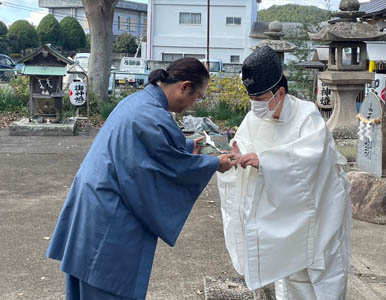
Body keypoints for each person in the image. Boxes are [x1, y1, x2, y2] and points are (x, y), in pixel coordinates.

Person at [47, 57, 237, 300]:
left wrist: (189, 148)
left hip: (93, 205)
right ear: (184, 86)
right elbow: (165, 169)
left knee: (87, 285)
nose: (194, 104)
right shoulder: (154, 116)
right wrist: (213, 163)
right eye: (197, 96)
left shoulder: (139, 101)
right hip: (110, 217)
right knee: (105, 289)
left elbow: (148, 150)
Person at [217, 46, 351, 300]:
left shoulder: (306, 116)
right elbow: (243, 149)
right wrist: (236, 158)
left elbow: (312, 161)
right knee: (287, 273)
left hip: (318, 212)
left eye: (259, 99)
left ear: (280, 92)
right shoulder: (253, 119)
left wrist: (266, 162)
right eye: (252, 99)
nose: (255, 105)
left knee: (321, 273)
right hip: (279, 216)